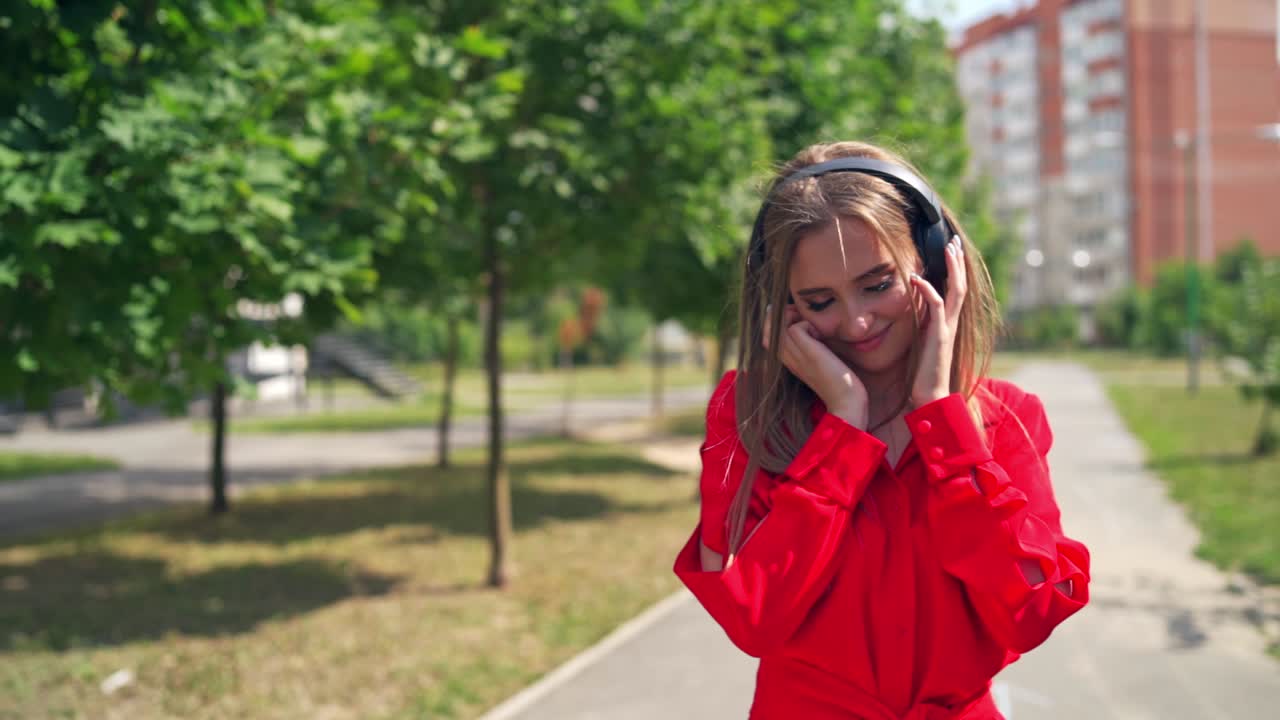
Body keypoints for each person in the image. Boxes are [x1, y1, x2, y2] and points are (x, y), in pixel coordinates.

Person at [672, 140, 1090, 720]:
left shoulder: (1007, 418)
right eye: (820, 301)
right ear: (782, 304)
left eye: (877, 284)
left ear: (936, 263)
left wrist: (942, 423)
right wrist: (842, 424)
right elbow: (753, 617)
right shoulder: (743, 416)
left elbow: (1031, 611)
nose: (857, 322)